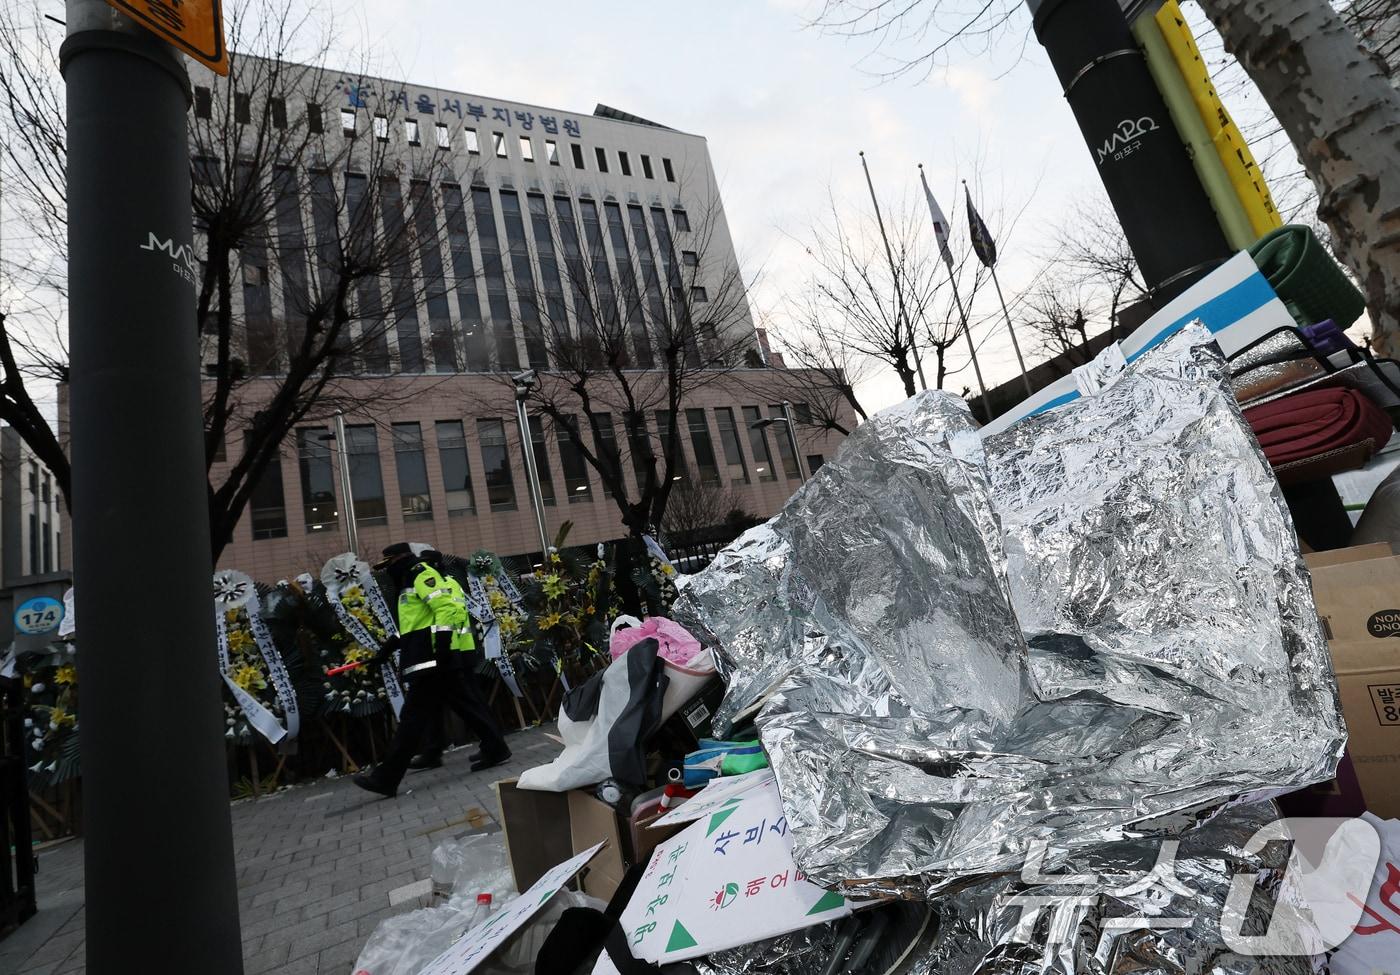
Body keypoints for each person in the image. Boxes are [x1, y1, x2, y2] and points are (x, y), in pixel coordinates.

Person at [353, 543, 510, 798]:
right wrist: (387, 648)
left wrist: (444, 646)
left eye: (388, 565)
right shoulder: (408, 579)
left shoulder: (419, 574)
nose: (387, 571)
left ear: (400, 560)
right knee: (466, 705)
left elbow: (447, 608)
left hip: (433, 660)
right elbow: (414, 624)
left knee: (412, 719)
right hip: (431, 660)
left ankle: (387, 777)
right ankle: (494, 747)